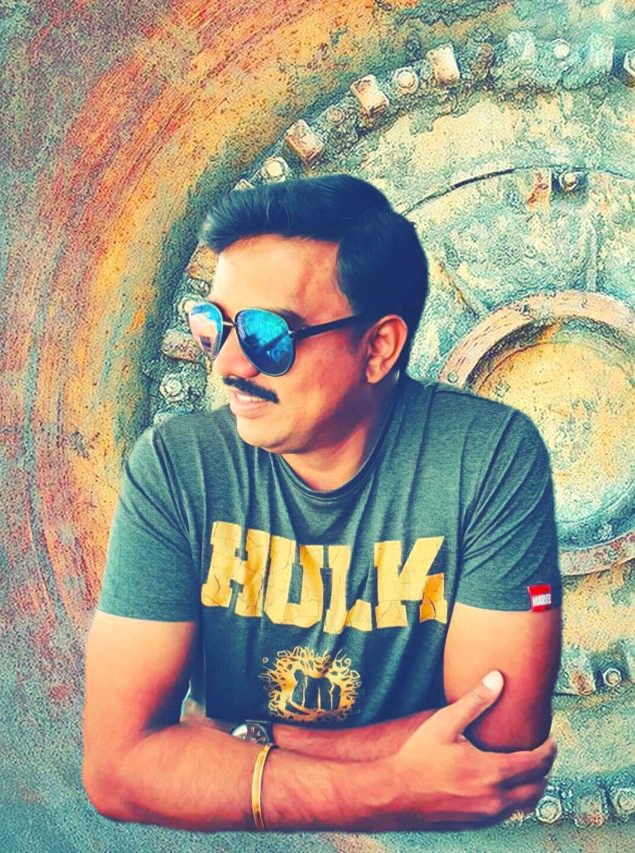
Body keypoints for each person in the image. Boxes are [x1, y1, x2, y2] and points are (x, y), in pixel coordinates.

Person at [82, 174, 562, 833]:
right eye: (213, 326)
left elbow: (497, 747)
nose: (228, 365)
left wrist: (242, 736)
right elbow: (117, 767)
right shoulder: (178, 466)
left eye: (267, 335)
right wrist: (390, 785)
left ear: (378, 348)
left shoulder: (486, 455)